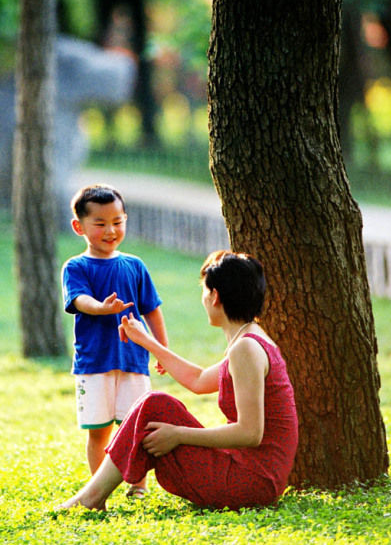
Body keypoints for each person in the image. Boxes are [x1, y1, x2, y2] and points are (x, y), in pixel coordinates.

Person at [56, 250, 298, 512]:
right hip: (253, 476)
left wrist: (178, 435)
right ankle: (95, 496)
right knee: (156, 404)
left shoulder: (246, 350)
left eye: (205, 291)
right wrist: (147, 341)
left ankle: (90, 499)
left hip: (252, 483)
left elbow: (250, 433)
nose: (203, 299)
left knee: (154, 405)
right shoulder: (250, 340)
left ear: (215, 296)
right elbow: (198, 379)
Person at [62, 183, 168, 498]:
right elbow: (79, 300)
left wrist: (161, 350)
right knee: (99, 431)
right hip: (94, 363)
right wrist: (102, 308)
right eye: (101, 223)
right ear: (79, 226)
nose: (111, 230)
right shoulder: (76, 267)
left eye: (117, 222)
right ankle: (100, 488)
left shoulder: (135, 266)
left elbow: (153, 310)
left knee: (135, 427)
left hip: (134, 361)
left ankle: (138, 486)